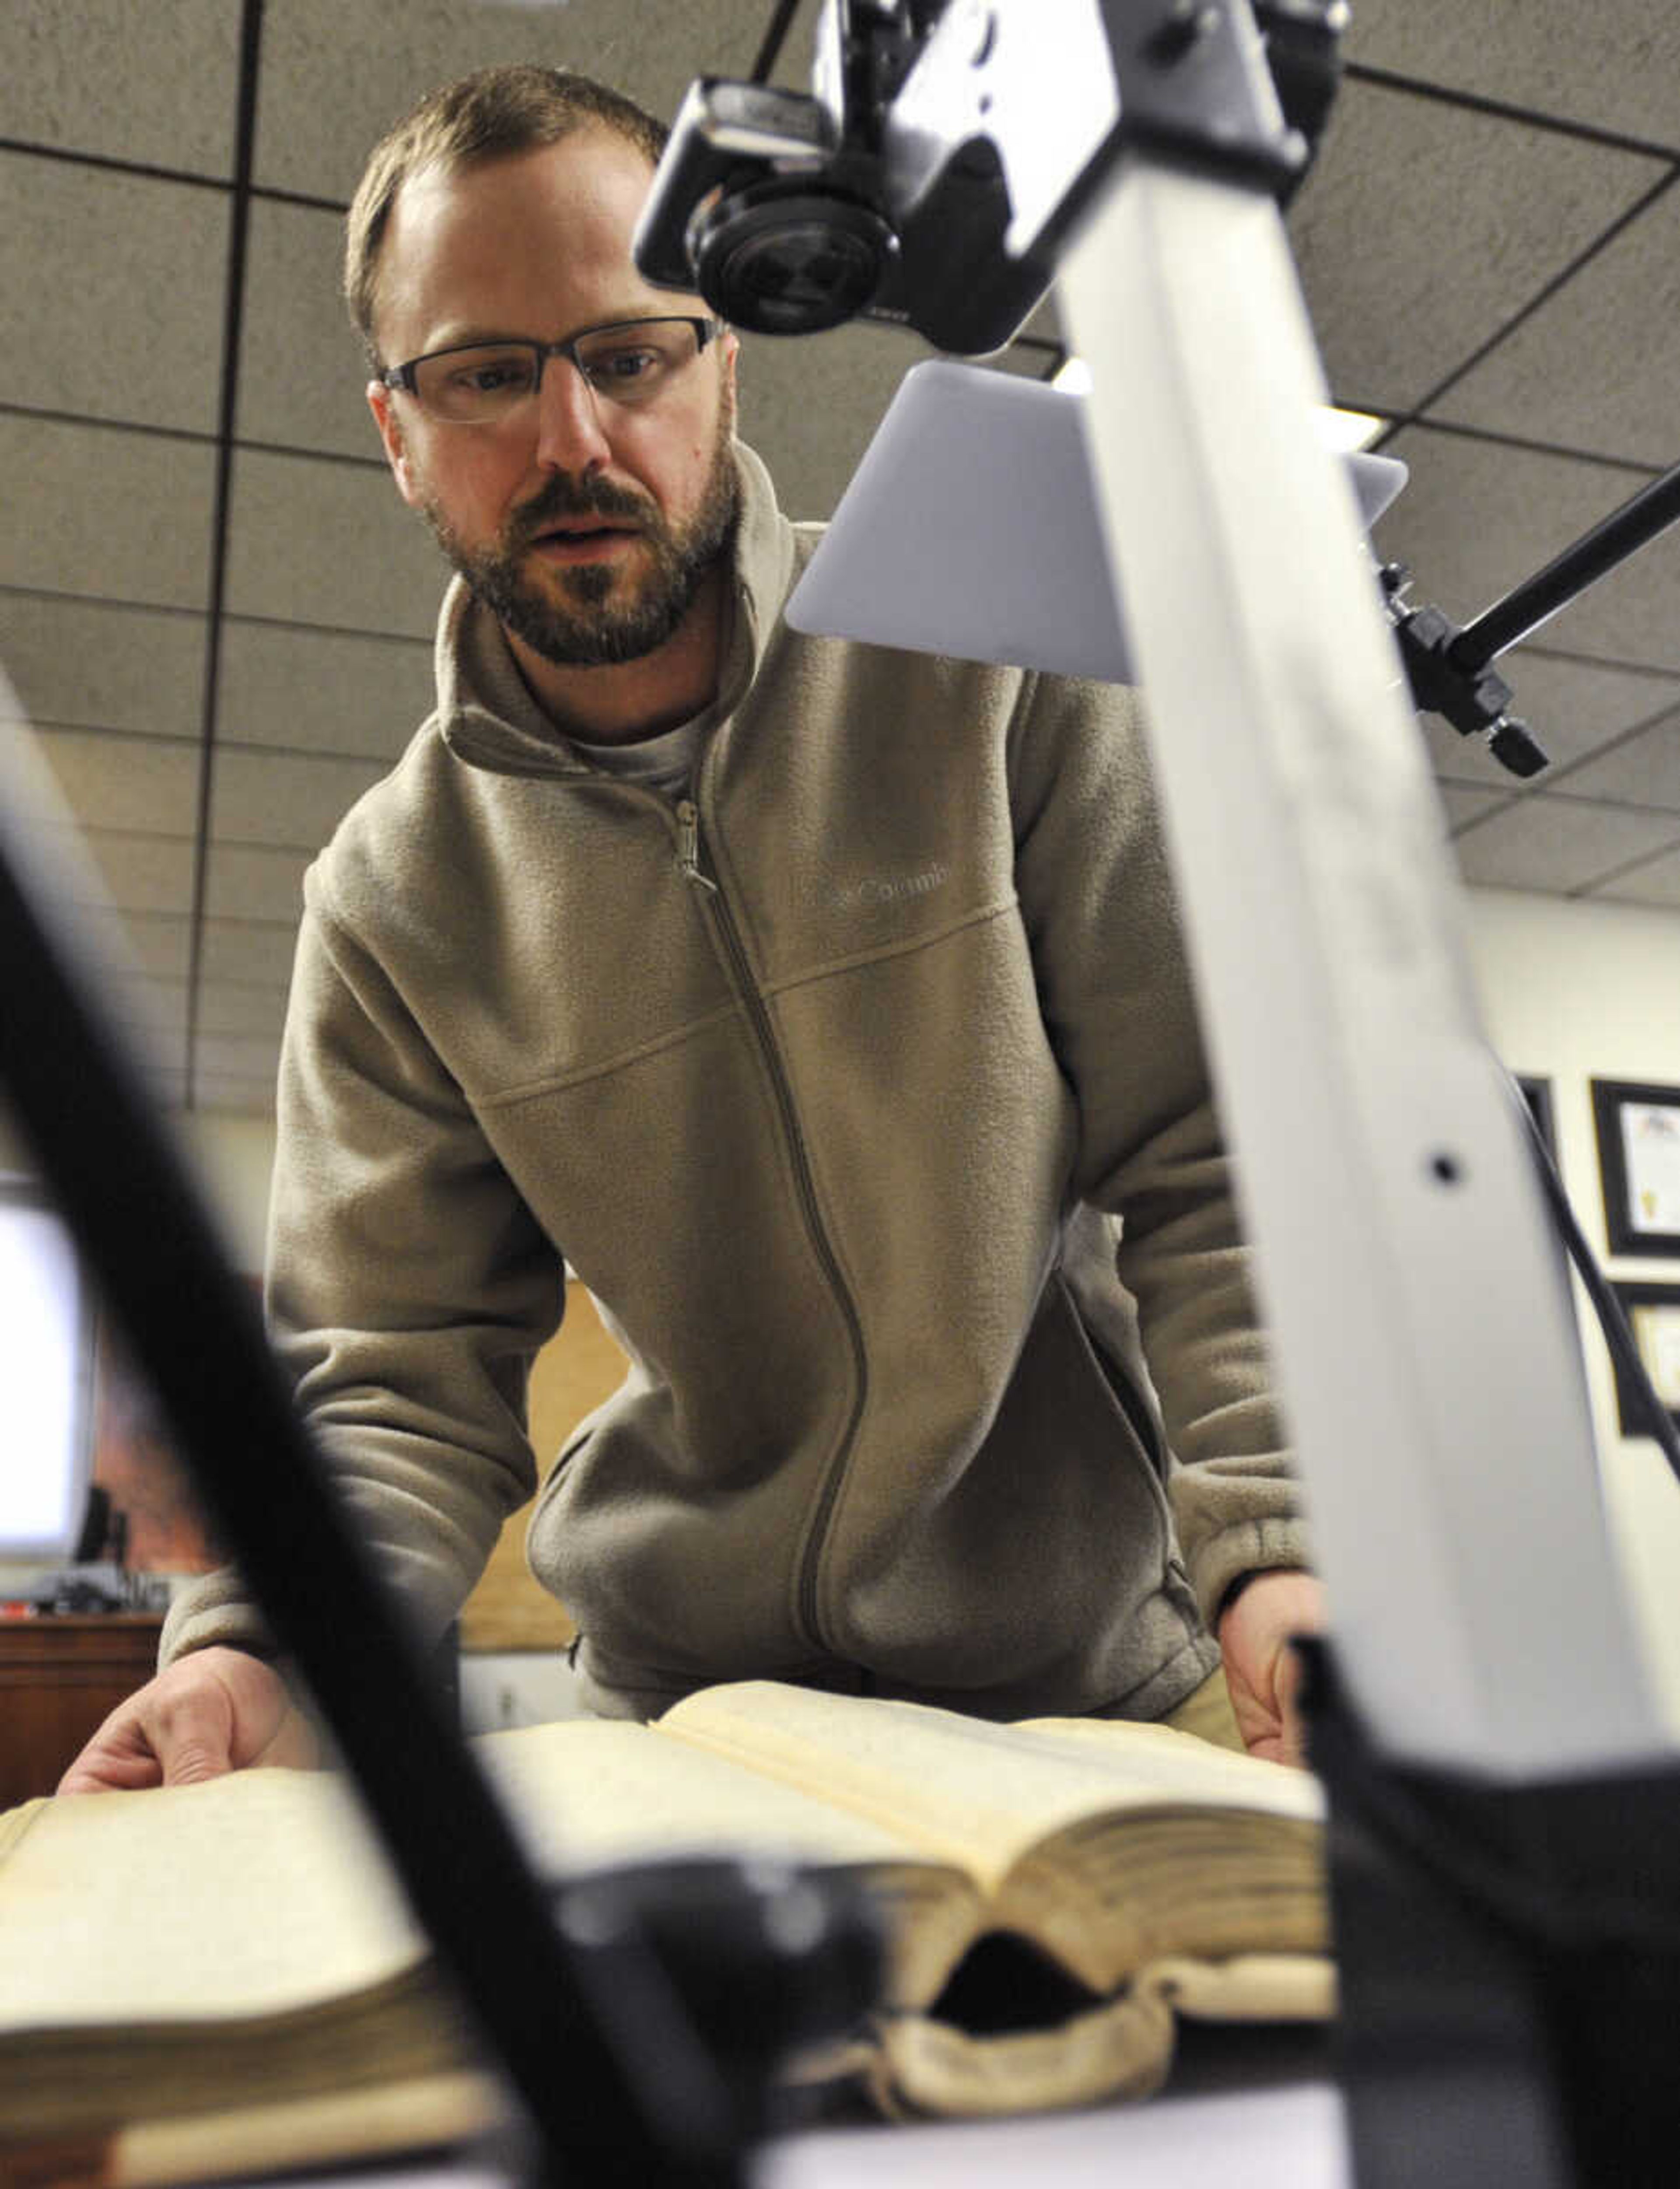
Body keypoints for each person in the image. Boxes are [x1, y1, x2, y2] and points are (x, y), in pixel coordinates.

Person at [61, 63, 1324, 1797]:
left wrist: (1286, 1547)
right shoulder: (389, 903)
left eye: (629, 353)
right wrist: (258, 1653)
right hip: (694, 1719)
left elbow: (1216, 1157)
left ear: (721, 357)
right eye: (487, 374)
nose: (573, 438)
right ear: (399, 434)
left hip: (1102, 1679)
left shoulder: (992, 670)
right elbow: (392, 1382)